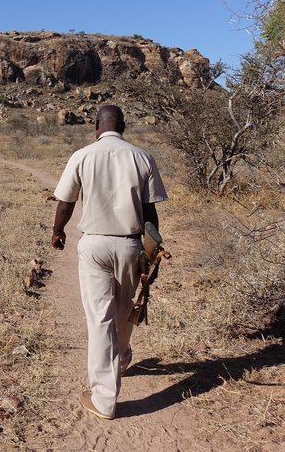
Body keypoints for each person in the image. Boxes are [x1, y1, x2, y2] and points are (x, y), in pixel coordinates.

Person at [51, 104, 167, 420]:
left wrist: (58, 231)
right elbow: (150, 212)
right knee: (126, 307)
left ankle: (104, 399)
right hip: (131, 245)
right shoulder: (142, 157)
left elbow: (65, 202)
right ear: (124, 125)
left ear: (96, 126)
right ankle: (123, 357)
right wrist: (153, 247)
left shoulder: (82, 155)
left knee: (100, 318)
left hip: (94, 246)